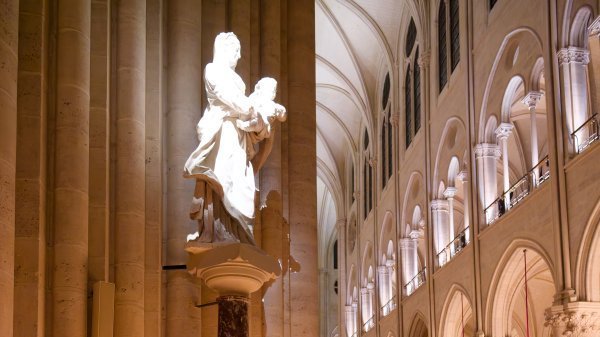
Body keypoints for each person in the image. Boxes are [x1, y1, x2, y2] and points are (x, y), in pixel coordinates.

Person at [184, 32, 284, 245]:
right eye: (236, 50)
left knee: (241, 187)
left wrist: (262, 121)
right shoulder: (213, 70)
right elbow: (231, 99)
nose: (239, 56)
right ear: (224, 49)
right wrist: (251, 109)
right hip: (224, 134)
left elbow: (248, 114)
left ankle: (237, 234)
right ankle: (220, 231)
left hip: (238, 138)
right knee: (224, 182)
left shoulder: (237, 80)